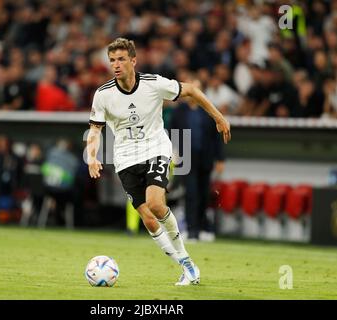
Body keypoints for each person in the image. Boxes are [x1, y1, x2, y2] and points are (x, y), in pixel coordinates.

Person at [86, 38, 231, 286]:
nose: (116, 65)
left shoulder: (154, 84)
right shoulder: (103, 95)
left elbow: (193, 90)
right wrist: (91, 157)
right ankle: (185, 264)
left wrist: (218, 117)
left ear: (133, 61)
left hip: (155, 149)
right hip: (125, 159)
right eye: (112, 60)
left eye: (121, 59)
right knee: (149, 219)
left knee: (155, 203)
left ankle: (186, 263)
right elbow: (95, 131)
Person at [170, 78, 225, 242]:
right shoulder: (179, 111)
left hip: (205, 157)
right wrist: (173, 152)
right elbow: (172, 132)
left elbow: (217, 136)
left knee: (204, 194)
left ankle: (202, 228)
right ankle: (191, 229)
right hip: (185, 158)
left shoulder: (208, 110)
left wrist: (220, 158)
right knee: (191, 194)